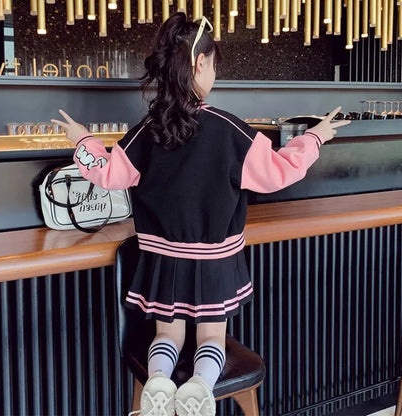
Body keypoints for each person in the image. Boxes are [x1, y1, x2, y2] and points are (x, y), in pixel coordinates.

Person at [52, 12, 350, 416]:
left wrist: (82, 139)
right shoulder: (229, 129)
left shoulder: (148, 129)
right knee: (211, 337)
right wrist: (314, 136)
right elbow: (280, 171)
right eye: (214, 64)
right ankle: (199, 387)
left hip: (162, 260)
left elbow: (108, 173)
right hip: (215, 262)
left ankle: (158, 381)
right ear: (200, 63)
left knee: (167, 334)